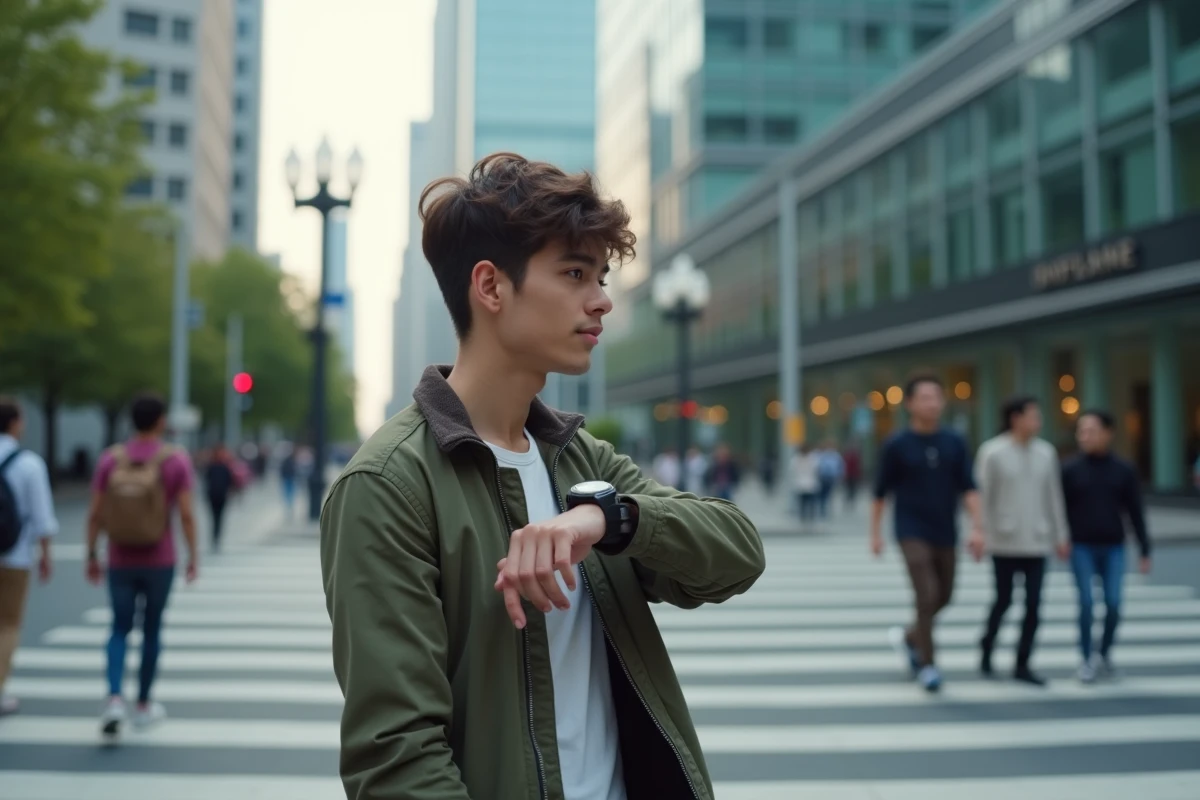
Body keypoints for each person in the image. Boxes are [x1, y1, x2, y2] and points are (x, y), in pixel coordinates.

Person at [319, 153, 765, 800]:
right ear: (491, 287)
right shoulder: (389, 486)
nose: (602, 300)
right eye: (575, 273)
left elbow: (738, 553)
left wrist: (608, 518)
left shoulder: (578, 457)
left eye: (601, 276)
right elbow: (397, 760)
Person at [86, 393, 199, 737]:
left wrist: (91, 554)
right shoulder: (175, 460)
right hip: (159, 558)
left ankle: (114, 698)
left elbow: (95, 513)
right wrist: (193, 555)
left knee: (119, 628)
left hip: (119, 557)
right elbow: (186, 514)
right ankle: (144, 705)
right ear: (161, 421)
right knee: (152, 629)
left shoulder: (111, 459)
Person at [870, 374, 984, 693]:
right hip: (911, 530)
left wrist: (978, 528)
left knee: (945, 595)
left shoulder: (954, 442)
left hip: (945, 530)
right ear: (909, 403)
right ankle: (928, 664)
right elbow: (879, 494)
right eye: (924, 398)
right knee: (926, 594)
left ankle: (911, 637)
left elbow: (969, 488)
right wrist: (875, 534)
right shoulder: (896, 444)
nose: (932, 403)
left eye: (936, 397)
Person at [969, 396, 1070, 687]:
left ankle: (1022, 662)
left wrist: (1061, 535)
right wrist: (978, 531)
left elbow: (1054, 497)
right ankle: (987, 645)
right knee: (1003, 600)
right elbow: (981, 496)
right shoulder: (993, 452)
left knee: (1034, 604)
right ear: (1015, 418)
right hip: (1004, 539)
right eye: (1032, 416)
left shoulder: (1046, 453)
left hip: (1037, 539)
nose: (1038, 421)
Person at [1061, 409, 1152, 684]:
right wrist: (1059, 538)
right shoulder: (1069, 469)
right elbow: (1058, 509)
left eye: (1091, 431)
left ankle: (1104, 653)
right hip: (1081, 546)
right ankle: (1086, 658)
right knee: (1086, 603)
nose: (1085, 436)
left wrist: (1145, 549)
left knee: (1113, 603)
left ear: (1108, 433)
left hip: (1113, 546)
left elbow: (1135, 510)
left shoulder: (1123, 469)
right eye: (1081, 431)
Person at [0, 397, 58, 717]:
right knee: (8, 624)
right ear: (14, 423)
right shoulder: (29, 463)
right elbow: (42, 518)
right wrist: (45, 555)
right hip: (15, 555)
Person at [203, 443, 236, 552]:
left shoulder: (226, 467)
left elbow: (230, 481)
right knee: (214, 518)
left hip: (222, 496)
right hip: (213, 495)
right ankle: (214, 537)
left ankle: (217, 538)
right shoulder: (211, 466)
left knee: (220, 518)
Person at [791, 444, 820, 522]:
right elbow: (816, 469)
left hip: (802, 483)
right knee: (810, 503)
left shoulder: (796, 459)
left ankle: (804, 517)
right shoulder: (813, 459)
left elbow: (793, 470)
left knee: (803, 503)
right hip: (809, 483)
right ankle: (809, 517)